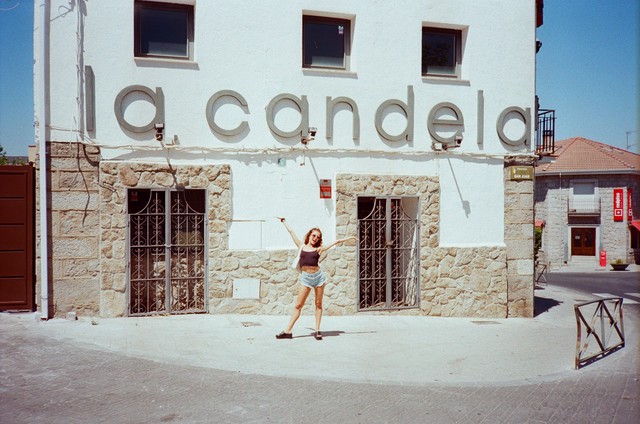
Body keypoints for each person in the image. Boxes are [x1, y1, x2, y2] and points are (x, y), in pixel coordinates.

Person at [275, 217, 355, 340]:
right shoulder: (301, 246)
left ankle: (317, 330)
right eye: (314, 235)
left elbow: (336, 241)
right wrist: (284, 221)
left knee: (318, 304)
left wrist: (350, 238)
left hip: (318, 278)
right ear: (309, 235)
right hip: (305, 279)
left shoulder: (319, 249)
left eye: (318, 237)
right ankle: (288, 331)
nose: (315, 238)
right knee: (298, 305)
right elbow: (291, 232)